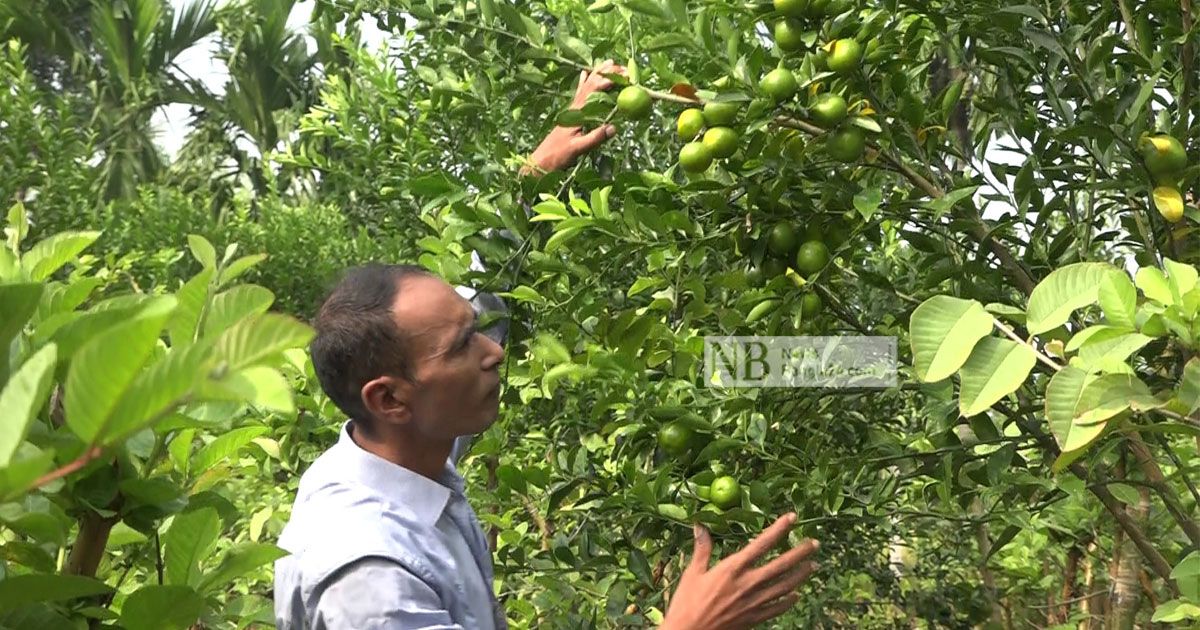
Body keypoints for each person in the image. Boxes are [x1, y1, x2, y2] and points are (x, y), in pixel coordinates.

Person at [273, 61, 821, 630]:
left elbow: (485, 300)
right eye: (464, 345)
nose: (494, 351)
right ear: (388, 399)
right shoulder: (371, 579)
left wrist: (533, 176)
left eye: (474, 328)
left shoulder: (404, 445)